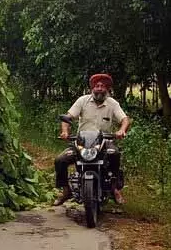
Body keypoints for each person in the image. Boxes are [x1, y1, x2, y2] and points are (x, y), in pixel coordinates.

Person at [53, 73, 131, 206]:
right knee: (60, 160)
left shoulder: (112, 103)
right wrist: (65, 131)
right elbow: (68, 117)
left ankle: (114, 188)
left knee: (115, 154)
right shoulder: (82, 101)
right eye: (97, 86)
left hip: (104, 142)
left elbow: (125, 119)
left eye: (103, 86)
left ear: (107, 89)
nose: (99, 88)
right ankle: (66, 191)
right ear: (92, 88)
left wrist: (122, 130)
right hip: (82, 142)